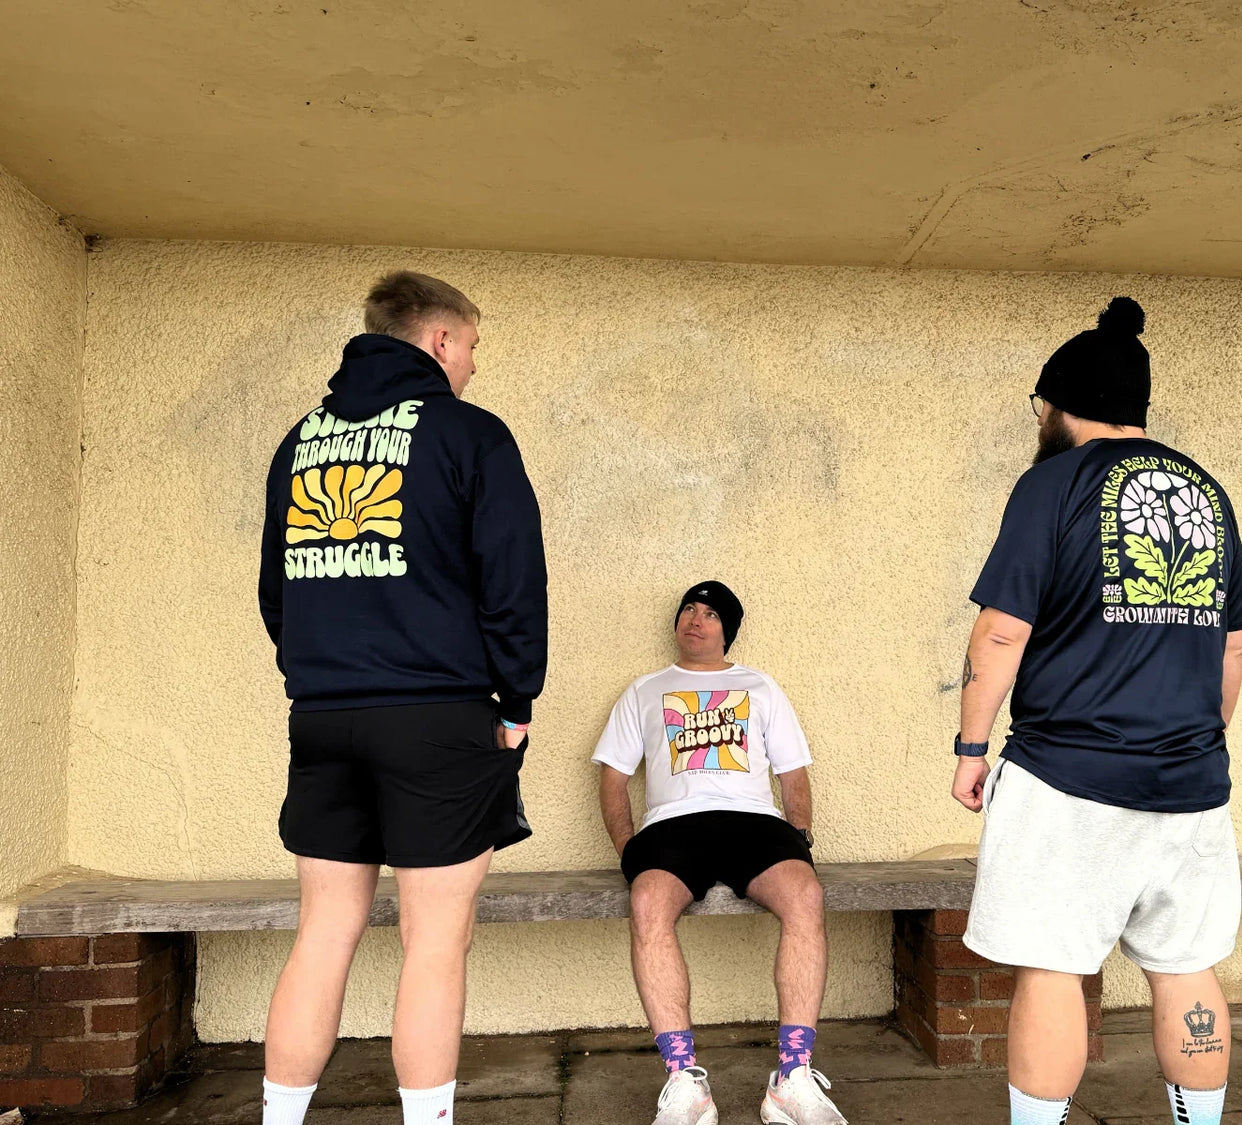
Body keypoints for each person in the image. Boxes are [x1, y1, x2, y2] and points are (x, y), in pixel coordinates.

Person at [256, 270, 548, 1125]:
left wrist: (320, 674)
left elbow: (277, 592)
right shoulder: (468, 433)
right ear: (441, 340)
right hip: (437, 718)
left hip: (322, 716)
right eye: (472, 349)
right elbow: (513, 583)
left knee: (323, 933)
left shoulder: (300, 441)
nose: (472, 369)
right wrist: (516, 700)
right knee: (434, 941)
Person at [951, 298, 1242, 1125]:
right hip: (1191, 785)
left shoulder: (1053, 482)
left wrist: (971, 745)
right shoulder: (1206, 492)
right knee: (1186, 966)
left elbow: (1003, 629)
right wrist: (1198, 739)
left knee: (1052, 968)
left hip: (1067, 778)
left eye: (1040, 405)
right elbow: (1234, 647)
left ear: (1059, 403)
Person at [593, 582, 847, 1125]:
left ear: (725, 629)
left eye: (710, 614)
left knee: (806, 896)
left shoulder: (759, 686)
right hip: (673, 826)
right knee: (646, 905)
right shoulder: (644, 690)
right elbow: (613, 777)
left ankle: (792, 1078)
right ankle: (685, 1083)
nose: (696, 620)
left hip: (753, 822)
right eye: (689, 609)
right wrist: (627, 849)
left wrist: (797, 837)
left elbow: (793, 772)